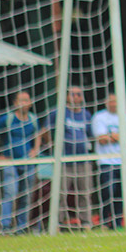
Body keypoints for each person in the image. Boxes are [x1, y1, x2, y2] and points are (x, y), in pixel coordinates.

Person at [0, 91, 43, 233]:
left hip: (28, 163)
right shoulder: (8, 119)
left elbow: (39, 133)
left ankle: (21, 228)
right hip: (10, 162)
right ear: (15, 103)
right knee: (10, 193)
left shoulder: (33, 119)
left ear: (30, 103)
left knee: (26, 196)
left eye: (26, 100)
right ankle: (5, 226)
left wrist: (36, 149)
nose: (24, 103)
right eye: (21, 100)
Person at [42, 86, 93, 229]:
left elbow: (90, 135)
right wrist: (52, 144)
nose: (76, 97)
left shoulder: (86, 115)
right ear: (67, 96)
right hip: (64, 161)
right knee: (61, 194)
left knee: (84, 193)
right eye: (73, 94)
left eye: (79, 94)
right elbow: (44, 130)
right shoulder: (58, 113)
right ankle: (57, 223)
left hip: (83, 161)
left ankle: (86, 223)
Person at [91, 90, 126, 229]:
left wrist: (112, 136)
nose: (113, 104)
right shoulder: (99, 117)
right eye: (111, 101)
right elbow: (102, 139)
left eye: (116, 101)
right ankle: (105, 221)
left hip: (123, 162)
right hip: (106, 161)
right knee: (107, 192)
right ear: (106, 102)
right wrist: (119, 136)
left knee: (121, 193)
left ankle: (118, 223)